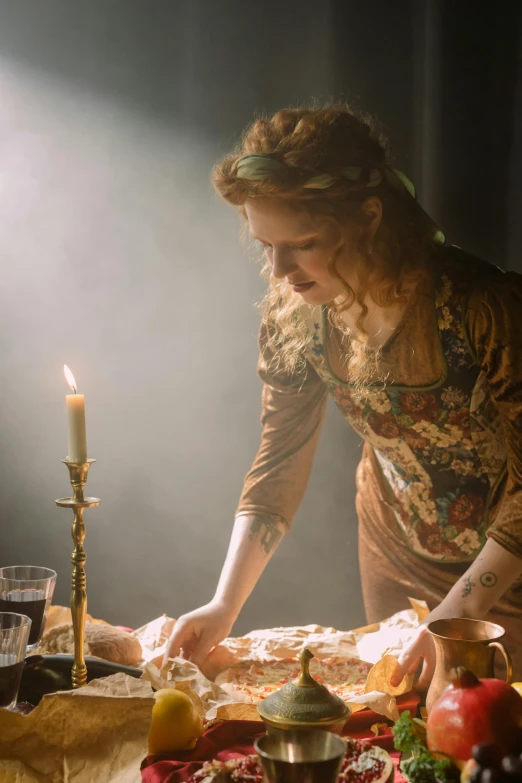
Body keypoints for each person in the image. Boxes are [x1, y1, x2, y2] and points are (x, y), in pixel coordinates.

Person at [165, 105, 522, 687]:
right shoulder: (298, 317)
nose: (280, 269)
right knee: (402, 734)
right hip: (396, 551)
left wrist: (463, 610)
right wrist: (223, 606)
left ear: (370, 218)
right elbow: (279, 460)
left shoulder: (481, 308)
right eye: (266, 246)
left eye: (301, 243)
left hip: (508, 573)